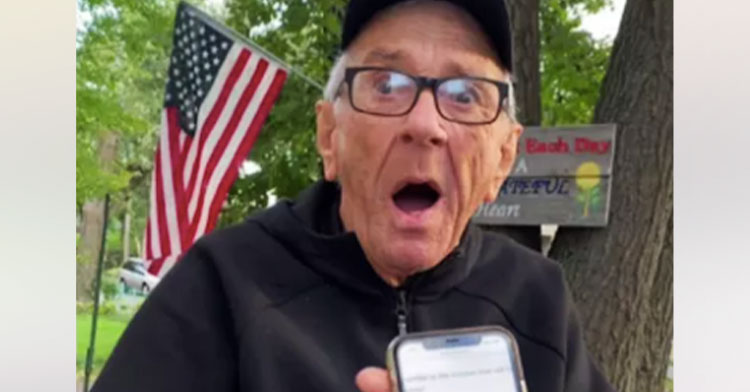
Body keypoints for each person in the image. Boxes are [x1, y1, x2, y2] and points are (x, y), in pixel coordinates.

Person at [92, 1, 615, 391]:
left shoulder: (540, 300)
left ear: (502, 158)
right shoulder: (221, 285)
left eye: (464, 95)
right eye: (386, 84)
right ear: (329, 137)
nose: (424, 123)